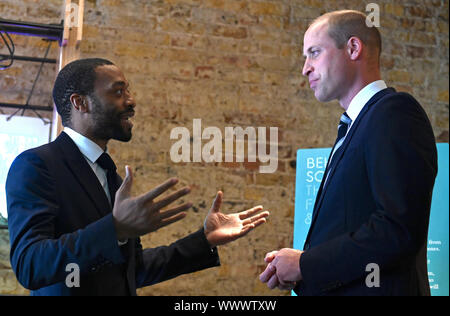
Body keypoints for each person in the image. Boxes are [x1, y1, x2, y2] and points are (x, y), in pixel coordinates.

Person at [6, 58, 269, 296]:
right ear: (80, 102)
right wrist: (115, 229)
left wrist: (204, 240)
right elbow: (30, 264)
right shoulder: (37, 165)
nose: (131, 101)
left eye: (128, 92)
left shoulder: (111, 177)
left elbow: (133, 270)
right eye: (118, 92)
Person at [260, 10, 437, 295]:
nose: (306, 68)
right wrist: (302, 267)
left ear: (353, 48)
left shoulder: (394, 113)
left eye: (314, 53)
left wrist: (307, 264)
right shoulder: (357, 125)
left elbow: (397, 229)